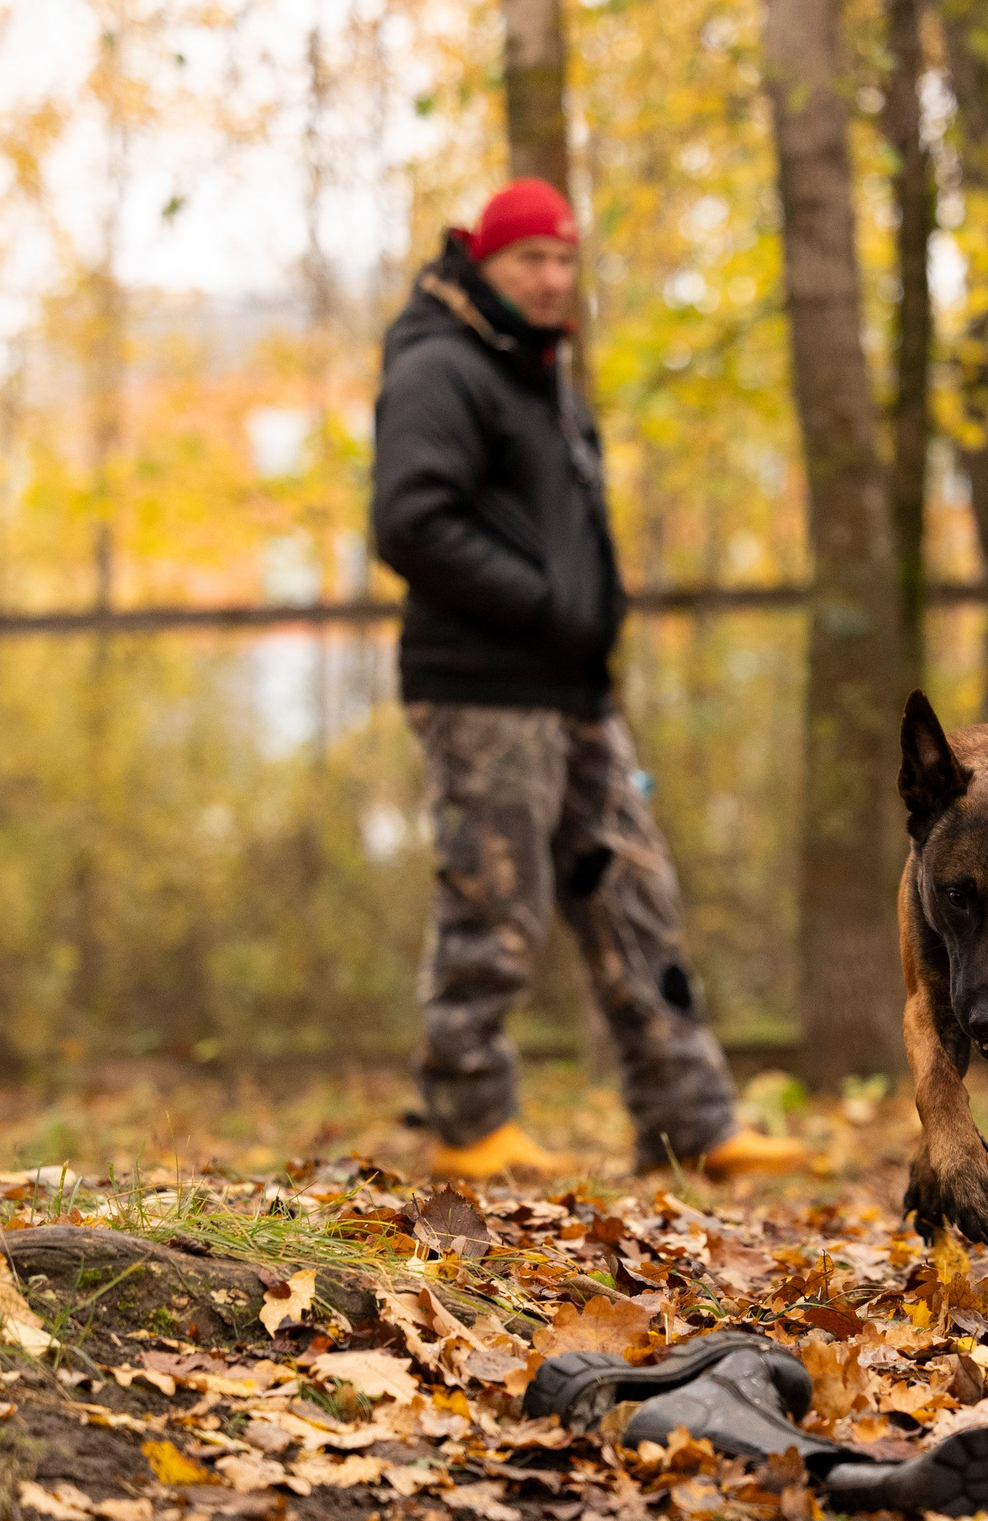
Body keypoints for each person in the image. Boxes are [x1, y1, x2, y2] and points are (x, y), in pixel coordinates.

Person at [370, 179, 805, 1182]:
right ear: (485, 263)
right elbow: (409, 520)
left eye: (565, 260)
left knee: (635, 896)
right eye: (531, 259)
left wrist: (582, 623)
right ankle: (469, 1121)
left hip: (572, 690)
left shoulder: (536, 373)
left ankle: (692, 1120)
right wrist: (543, 602)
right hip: (482, 686)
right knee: (498, 902)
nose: (552, 278)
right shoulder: (443, 366)